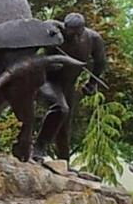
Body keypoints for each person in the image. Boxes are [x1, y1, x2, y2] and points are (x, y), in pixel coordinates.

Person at [33, 12, 106, 162]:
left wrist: (92, 83)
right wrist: (49, 34)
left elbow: (100, 62)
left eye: (74, 34)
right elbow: (44, 27)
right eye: (68, 33)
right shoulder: (55, 29)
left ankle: (64, 163)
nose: (70, 37)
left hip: (68, 85)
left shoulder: (93, 39)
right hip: (48, 79)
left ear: (81, 30)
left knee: (64, 129)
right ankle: (39, 147)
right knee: (61, 108)